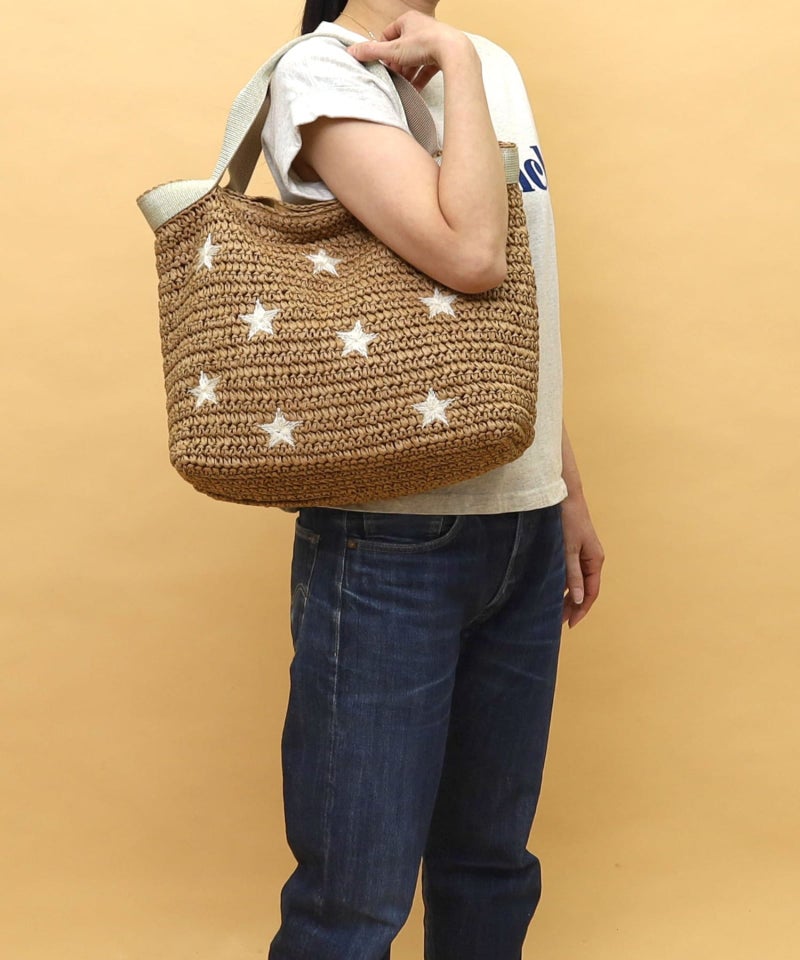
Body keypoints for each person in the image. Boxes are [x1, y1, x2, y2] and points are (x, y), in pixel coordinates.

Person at [260, 2, 605, 958]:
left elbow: (508, 318)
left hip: (523, 520)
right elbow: (473, 255)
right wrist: (452, 54)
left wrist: (563, 486)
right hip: (392, 538)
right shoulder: (320, 71)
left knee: (491, 870)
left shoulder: (488, 63)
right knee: (353, 902)